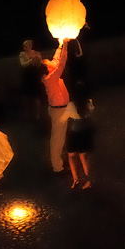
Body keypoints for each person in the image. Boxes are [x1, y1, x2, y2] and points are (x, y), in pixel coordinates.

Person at [42, 38, 78, 174]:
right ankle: (57, 167)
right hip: (59, 111)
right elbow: (61, 62)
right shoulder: (51, 78)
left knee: (62, 136)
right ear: (47, 69)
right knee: (57, 139)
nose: (52, 62)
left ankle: (61, 160)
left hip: (62, 108)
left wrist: (60, 44)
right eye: (49, 63)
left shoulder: (50, 74)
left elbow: (57, 60)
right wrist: (66, 46)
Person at [66, 98, 95, 189]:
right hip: (85, 130)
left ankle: (77, 179)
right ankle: (86, 180)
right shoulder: (87, 102)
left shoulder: (71, 104)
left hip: (75, 131)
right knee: (82, 156)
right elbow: (92, 110)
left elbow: (64, 117)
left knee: (72, 155)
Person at [18, 39, 44, 122]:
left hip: (35, 76)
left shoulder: (36, 53)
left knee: (36, 96)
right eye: (24, 46)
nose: (26, 48)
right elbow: (23, 64)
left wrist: (38, 60)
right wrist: (31, 60)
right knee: (26, 96)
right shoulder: (22, 54)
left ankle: (37, 115)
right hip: (27, 76)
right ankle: (26, 114)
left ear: (31, 46)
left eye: (27, 46)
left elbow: (40, 63)